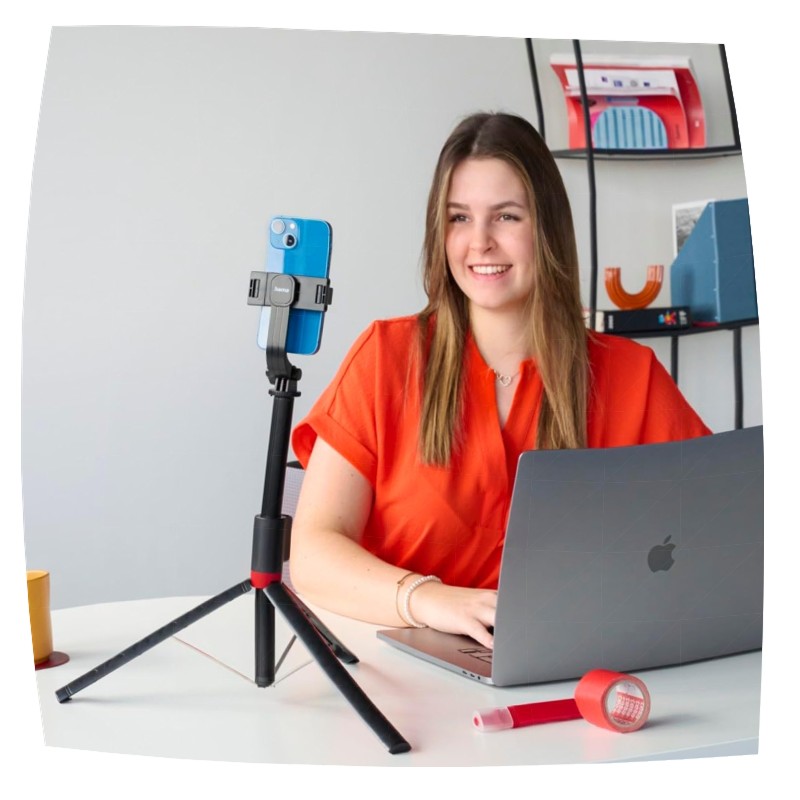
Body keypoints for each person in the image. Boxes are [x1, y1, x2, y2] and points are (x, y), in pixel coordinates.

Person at [288, 111, 711, 649]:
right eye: (459, 218)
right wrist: (427, 598)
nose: (480, 242)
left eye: (507, 216)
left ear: (547, 228)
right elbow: (313, 553)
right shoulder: (385, 358)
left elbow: (718, 529)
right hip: (405, 663)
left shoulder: (633, 375)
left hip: (581, 659)